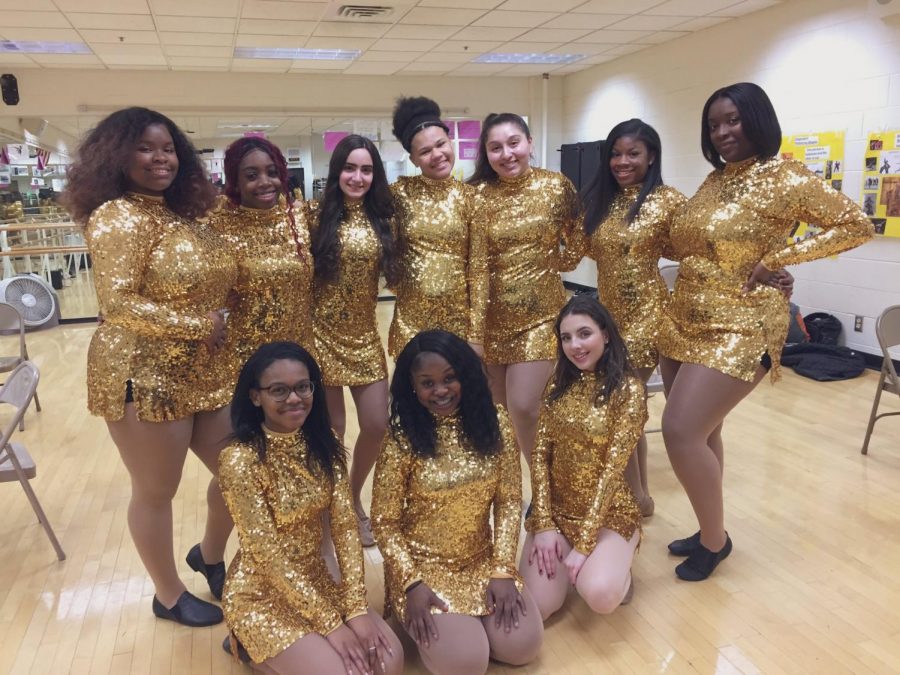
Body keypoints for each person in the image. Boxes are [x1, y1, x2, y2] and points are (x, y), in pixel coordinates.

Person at [659, 82, 873, 581]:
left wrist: (778, 259)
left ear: (756, 118)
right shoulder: (714, 181)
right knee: (704, 432)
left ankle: (716, 541)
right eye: (714, 124)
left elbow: (855, 224)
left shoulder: (786, 177)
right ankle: (708, 526)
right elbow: (690, 244)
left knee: (679, 431)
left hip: (743, 320)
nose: (723, 132)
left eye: (732, 120)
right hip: (685, 314)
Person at [64, 107, 237, 626]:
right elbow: (118, 303)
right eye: (145, 148)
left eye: (168, 149)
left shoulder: (180, 214)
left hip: (205, 371)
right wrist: (199, 326)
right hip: (143, 374)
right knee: (156, 490)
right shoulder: (118, 216)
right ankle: (167, 594)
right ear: (117, 156)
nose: (159, 158)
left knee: (240, 469)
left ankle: (206, 555)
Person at [220, 341, 403, 675]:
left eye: (303, 387)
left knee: (390, 663)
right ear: (255, 396)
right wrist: (332, 625)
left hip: (317, 579)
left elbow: (346, 528)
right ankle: (247, 642)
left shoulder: (324, 444)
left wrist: (357, 608)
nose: (294, 398)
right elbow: (265, 552)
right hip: (262, 592)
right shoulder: (240, 460)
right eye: (279, 390)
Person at [372, 330, 543, 675]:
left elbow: (509, 502)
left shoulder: (496, 423)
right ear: (412, 386)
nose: (441, 391)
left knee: (524, 648)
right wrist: (410, 583)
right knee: (466, 665)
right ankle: (432, 622)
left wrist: (503, 569)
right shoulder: (402, 438)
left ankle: (472, 628)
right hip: (423, 571)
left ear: (465, 375)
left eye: (450, 378)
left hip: (481, 560)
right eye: (428, 383)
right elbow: (383, 521)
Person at [578, 119, 687, 517]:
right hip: (608, 318)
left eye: (633, 154)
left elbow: (700, 248)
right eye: (616, 154)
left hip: (647, 316)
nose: (622, 162)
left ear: (651, 156)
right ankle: (637, 496)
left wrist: (767, 268)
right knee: (627, 411)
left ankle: (634, 497)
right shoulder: (600, 201)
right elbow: (578, 251)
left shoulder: (667, 201)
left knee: (615, 407)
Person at [520, 296, 645, 619]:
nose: (575, 345)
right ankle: (581, 563)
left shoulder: (628, 390)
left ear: (605, 334)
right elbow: (539, 455)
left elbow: (612, 471)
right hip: (558, 515)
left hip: (606, 515)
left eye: (584, 334)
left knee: (601, 596)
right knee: (539, 606)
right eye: (566, 338)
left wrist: (586, 544)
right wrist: (545, 525)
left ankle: (619, 565)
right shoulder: (557, 385)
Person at [468, 113, 582, 463]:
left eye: (514, 143)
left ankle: (545, 493)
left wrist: (553, 264)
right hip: (489, 321)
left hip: (541, 318)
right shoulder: (476, 196)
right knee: (499, 416)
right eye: (496, 147)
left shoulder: (555, 186)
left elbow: (577, 240)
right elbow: (473, 265)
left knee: (525, 407)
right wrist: (474, 331)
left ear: (530, 143)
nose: (507, 154)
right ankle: (512, 493)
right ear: (486, 154)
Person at [309, 134, 400, 546]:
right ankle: (334, 510)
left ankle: (351, 495)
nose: (357, 177)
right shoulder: (314, 216)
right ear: (336, 172)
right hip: (320, 337)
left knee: (377, 425)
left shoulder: (386, 220)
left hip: (364, 337)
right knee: (333, 431)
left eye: (366, 169)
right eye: (350, 168)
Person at [206, 137, 314, 394]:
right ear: (236, 180)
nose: (265, 182)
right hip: (245, 355)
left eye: (272, 172)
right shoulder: (217, 225)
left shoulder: (299, 217)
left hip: (299, 348)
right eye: (252, 175)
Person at [388, 96, 485, 358]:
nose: (437, 155)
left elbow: (478, 269)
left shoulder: (471, 198)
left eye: (441, 144)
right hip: (411, 323)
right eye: (425, 151)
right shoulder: (398, 195)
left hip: (459, 325)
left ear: (450, 141)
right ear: (414, 159)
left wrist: (476, 333)